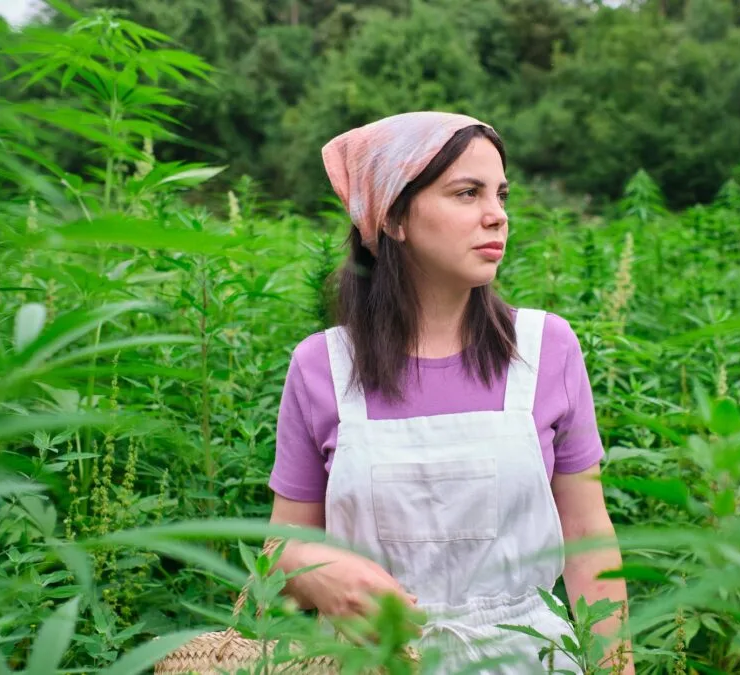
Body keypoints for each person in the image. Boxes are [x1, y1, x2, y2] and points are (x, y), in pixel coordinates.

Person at [266, 111, 634, 674]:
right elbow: (279, 547)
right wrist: (316, 572)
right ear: (393, 218)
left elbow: (587, 535)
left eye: (500, 194)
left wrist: (616, 668)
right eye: (467, 193)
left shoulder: (545, 348)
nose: (497, 216)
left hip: (525, 658)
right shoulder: (323, 366)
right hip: (374, 661)